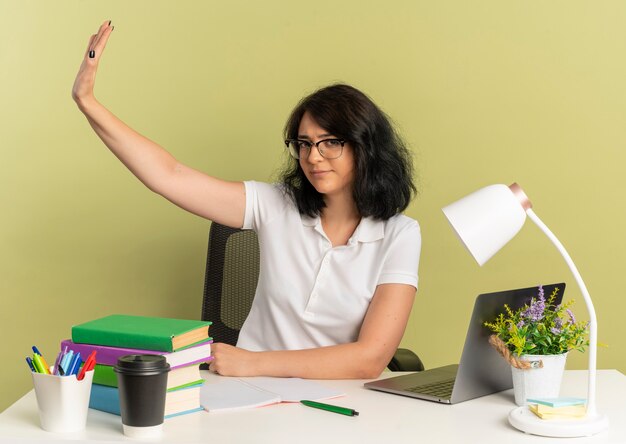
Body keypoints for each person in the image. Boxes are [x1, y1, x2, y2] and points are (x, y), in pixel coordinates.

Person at [72, 21, 421, 379]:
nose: (313, 157)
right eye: (303, 143)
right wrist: (88, 103)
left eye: (330, 142)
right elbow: (168, 175)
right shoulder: (276, 204)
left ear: (366, 147)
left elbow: (370, 359)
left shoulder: (399, 234)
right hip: (248, 394)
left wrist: (254, 362)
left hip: (332, 399)